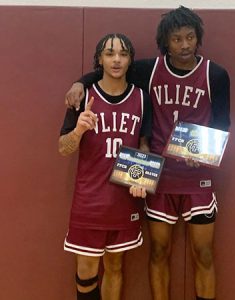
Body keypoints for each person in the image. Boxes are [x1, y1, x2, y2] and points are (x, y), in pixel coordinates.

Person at [65, 6, 230, 300]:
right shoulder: (149, 69)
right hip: (159, 178)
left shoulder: (215, 75)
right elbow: (111, 69)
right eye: (177, 39)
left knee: (204, 254)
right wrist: (80, 82)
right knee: (159, 252)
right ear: (165, 41)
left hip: (198, 178)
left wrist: (205, 153)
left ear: (198, 38)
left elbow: (223, 125)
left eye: (190, 37)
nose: (184, 45)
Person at [59, 33, 152, 300]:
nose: (116, 59)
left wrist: (142, 179)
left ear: (130, 59)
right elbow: (63, 148)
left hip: (123, 200)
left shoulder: (142, 99)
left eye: (123, 53)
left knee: (115, 268)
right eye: (110, 53)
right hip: (89, 201)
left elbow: (144, 145)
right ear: (99, 59)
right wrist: (78, 130)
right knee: (86, 273)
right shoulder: (83, 96)